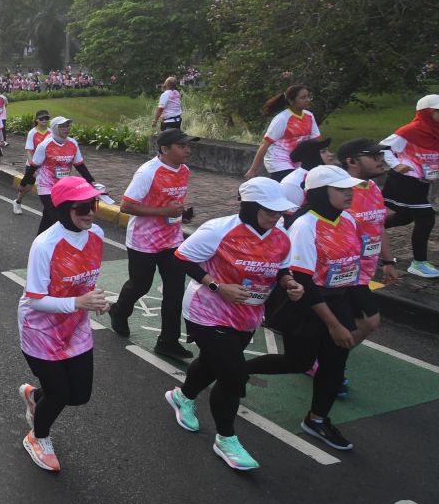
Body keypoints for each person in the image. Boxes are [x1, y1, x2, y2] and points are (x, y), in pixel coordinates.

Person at [165, 178, 301, 470]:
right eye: (268, 211)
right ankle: (226, 439)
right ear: (250, 207)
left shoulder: (281, 237)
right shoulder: (219, 230)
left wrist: (289, 282)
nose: (275, 217)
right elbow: (181, 259)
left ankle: (182, 396)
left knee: (213, 364)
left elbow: (281, 269)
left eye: (279, 212)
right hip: (208, 312)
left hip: (248, 315)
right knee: (234, 377)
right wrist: (217, 286)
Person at [245, 165, 363, 451]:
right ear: (321, 193)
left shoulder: (348, 220)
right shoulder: (304, 225)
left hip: (339, 300)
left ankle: (317, 419)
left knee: (336, 362)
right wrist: (334, 324)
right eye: (341, 189)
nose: (349, 194)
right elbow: (303, 281)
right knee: (298, 362)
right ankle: (236, 369)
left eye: (350, 189)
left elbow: (351, 266)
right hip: (308, 305)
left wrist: (354, 309)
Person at [16, 177, 111, 473]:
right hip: (40, 329)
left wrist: (95, 299)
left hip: (75, 326)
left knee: (79, 394)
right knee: (59, 394)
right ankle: (38, 436)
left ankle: (35, 396)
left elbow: (85, 277)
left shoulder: (96, 234)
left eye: (93, 204)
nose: (91, 212)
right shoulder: (45, 244)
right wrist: (78, 303)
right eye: (83, 207)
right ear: (65, 209)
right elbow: (34, 298)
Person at [108, 129, 197, 359]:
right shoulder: (148, 172)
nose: (188, 150)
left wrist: (181, 214)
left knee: (175, 291)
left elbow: (171, 203)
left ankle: (168, 341)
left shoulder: (184, 170)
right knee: (141, 285)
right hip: (144, 241)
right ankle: (119, 311)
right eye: (182, 146)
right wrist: (163, 211)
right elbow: (126, 206)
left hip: (172, 240)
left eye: (188, 145)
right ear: (165, 149)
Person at [339, 138, 401, 348]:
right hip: (342, 272)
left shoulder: (373, 188)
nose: (379, 160)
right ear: (352, 162)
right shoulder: (338, 191)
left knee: (348, 322)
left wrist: (388, 262)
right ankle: (325, 363)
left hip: (365, 271)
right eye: (373, 156)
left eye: (380, 155)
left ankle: (326, 361)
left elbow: (378, 226)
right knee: (369, 321)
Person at [381, 94, 439, 278]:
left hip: (421, 182)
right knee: (426, 217)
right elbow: (383, 147)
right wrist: (397, 165)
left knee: (404, 218)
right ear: (426, 112)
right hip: (405, 181)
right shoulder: (409, 130)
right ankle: (419, 263)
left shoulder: (436, 131)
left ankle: (363, 232)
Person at [31, 116, 97, 233]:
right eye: (62, 126)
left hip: (62, 186)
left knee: (48, 216)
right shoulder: (45, 145)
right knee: (58, 218)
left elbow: (79, 165)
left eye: (67, 126)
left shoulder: (72, 143)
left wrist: (91, 181)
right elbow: (34, 166)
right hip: (46, 186)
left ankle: (38, 243)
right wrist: (25, 181)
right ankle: (57, 246)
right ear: (55, 128)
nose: (66, 129)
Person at [245, 85, 322, 181]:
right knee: (290, 185)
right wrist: (253, 169)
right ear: (291, 101)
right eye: (303, 97)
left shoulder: (309, 116)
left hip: (298, 159)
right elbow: (265, 144)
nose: (307, 100)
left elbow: (317, 140)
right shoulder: (282, 119)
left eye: (308, 96)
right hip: (279, 159)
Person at [278, 138, 336, 211]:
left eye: (328, 150)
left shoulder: (330, 176)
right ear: (312, 155)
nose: (331, 154)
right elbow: (288, 216)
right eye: (323, 151)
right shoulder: (292, 184)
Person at [13, 110, 51, 215]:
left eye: (46, 118)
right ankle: (18, 201)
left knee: (48, 188)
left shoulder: (51, 133)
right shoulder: (32, 132)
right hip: (33, 164)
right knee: (28, 187)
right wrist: (32, 166)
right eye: (41, 118)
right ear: (36, 120)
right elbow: (29, 150)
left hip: (46, 166)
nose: (44, 120)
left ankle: (49, 211)